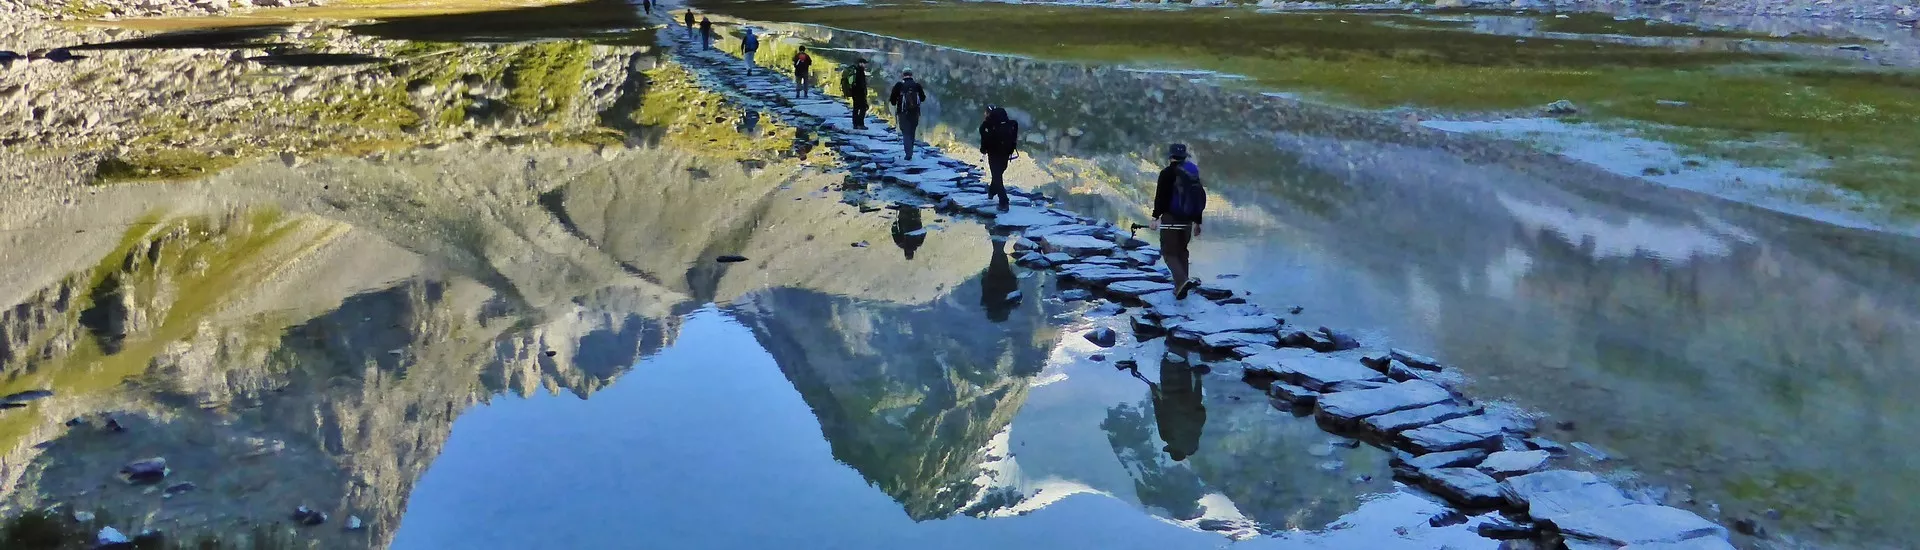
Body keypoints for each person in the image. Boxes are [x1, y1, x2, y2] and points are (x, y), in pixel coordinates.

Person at [1149, 143, 1206, 300]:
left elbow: (1160, 198)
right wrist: (1197, 222)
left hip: (1171, 218)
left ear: (1170, 156)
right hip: (1187, 219)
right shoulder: (1192, 173)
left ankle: (1181, 281)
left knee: (1169, 253)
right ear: (1184, 156)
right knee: (1182, 251)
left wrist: (1155, 218)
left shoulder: (1167, 173)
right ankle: (1182, 289)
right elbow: (1198, 197)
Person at [1149, 355, 1206, 462]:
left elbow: (1198, 407)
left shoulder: (1194, 437)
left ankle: (1184, 349)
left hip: (1186, 396)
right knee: (1168, 360)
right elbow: (1160, 414)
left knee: (1182, 362)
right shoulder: (1167, 436)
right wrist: (1155, 395)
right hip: (1170, 395)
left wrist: (1198, 380)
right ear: (1174, 450)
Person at [977, 105, 1019, 212]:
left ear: (988, 113)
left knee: (996, 176)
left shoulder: (987, 125)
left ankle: (1003, 202)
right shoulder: (1008, 123)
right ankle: (992, 191)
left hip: (994, 153)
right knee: (998, 174)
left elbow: (984, 139)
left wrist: (983, 149)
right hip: (1006, 152)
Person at [888, 70, 928, 161]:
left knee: (905, 133)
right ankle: (911, 151)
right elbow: (923, 98)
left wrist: (896, 103)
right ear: (911, 75)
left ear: (903, 75)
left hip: (903, 113)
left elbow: (892, 100)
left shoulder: (899, 85)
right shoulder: (917, 85)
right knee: (912, 132)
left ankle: (908, 154)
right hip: (915, 113)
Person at [839, 58, 870, 129]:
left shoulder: (855, 71)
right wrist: (864, 93)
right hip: (860, 93)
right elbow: (861, 84)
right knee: (863, 108)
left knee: (856, 108)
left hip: (854, 93)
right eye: (864, 63)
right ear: (860, 63)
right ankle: (860, 124)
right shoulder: (860, 71)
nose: (865, 65)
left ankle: (855, 124)